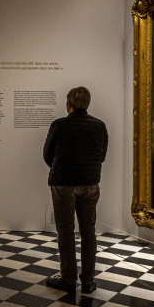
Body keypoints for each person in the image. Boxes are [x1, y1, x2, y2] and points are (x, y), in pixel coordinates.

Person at [42, 87, 108, 294]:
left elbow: (47, 155)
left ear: (68, 104)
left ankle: (69, 279)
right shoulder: (99, 126)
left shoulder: (59, 125)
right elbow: (102, 155)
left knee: (66, 231)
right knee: (89, 231)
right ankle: (88, 281)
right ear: (87, 104)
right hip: (90, 184)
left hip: (63, 184)